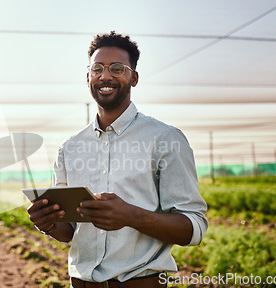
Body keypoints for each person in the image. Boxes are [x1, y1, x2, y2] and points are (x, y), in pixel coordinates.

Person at [27, 31, 208, 288]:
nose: (106, 76)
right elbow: (69, 232)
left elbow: (193, 227)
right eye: (97, 68)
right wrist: (48, 223)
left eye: (117, 68)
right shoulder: (70, 148)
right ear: (88, 76)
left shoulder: (165, 139)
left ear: (133, 77)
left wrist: (131, 216)